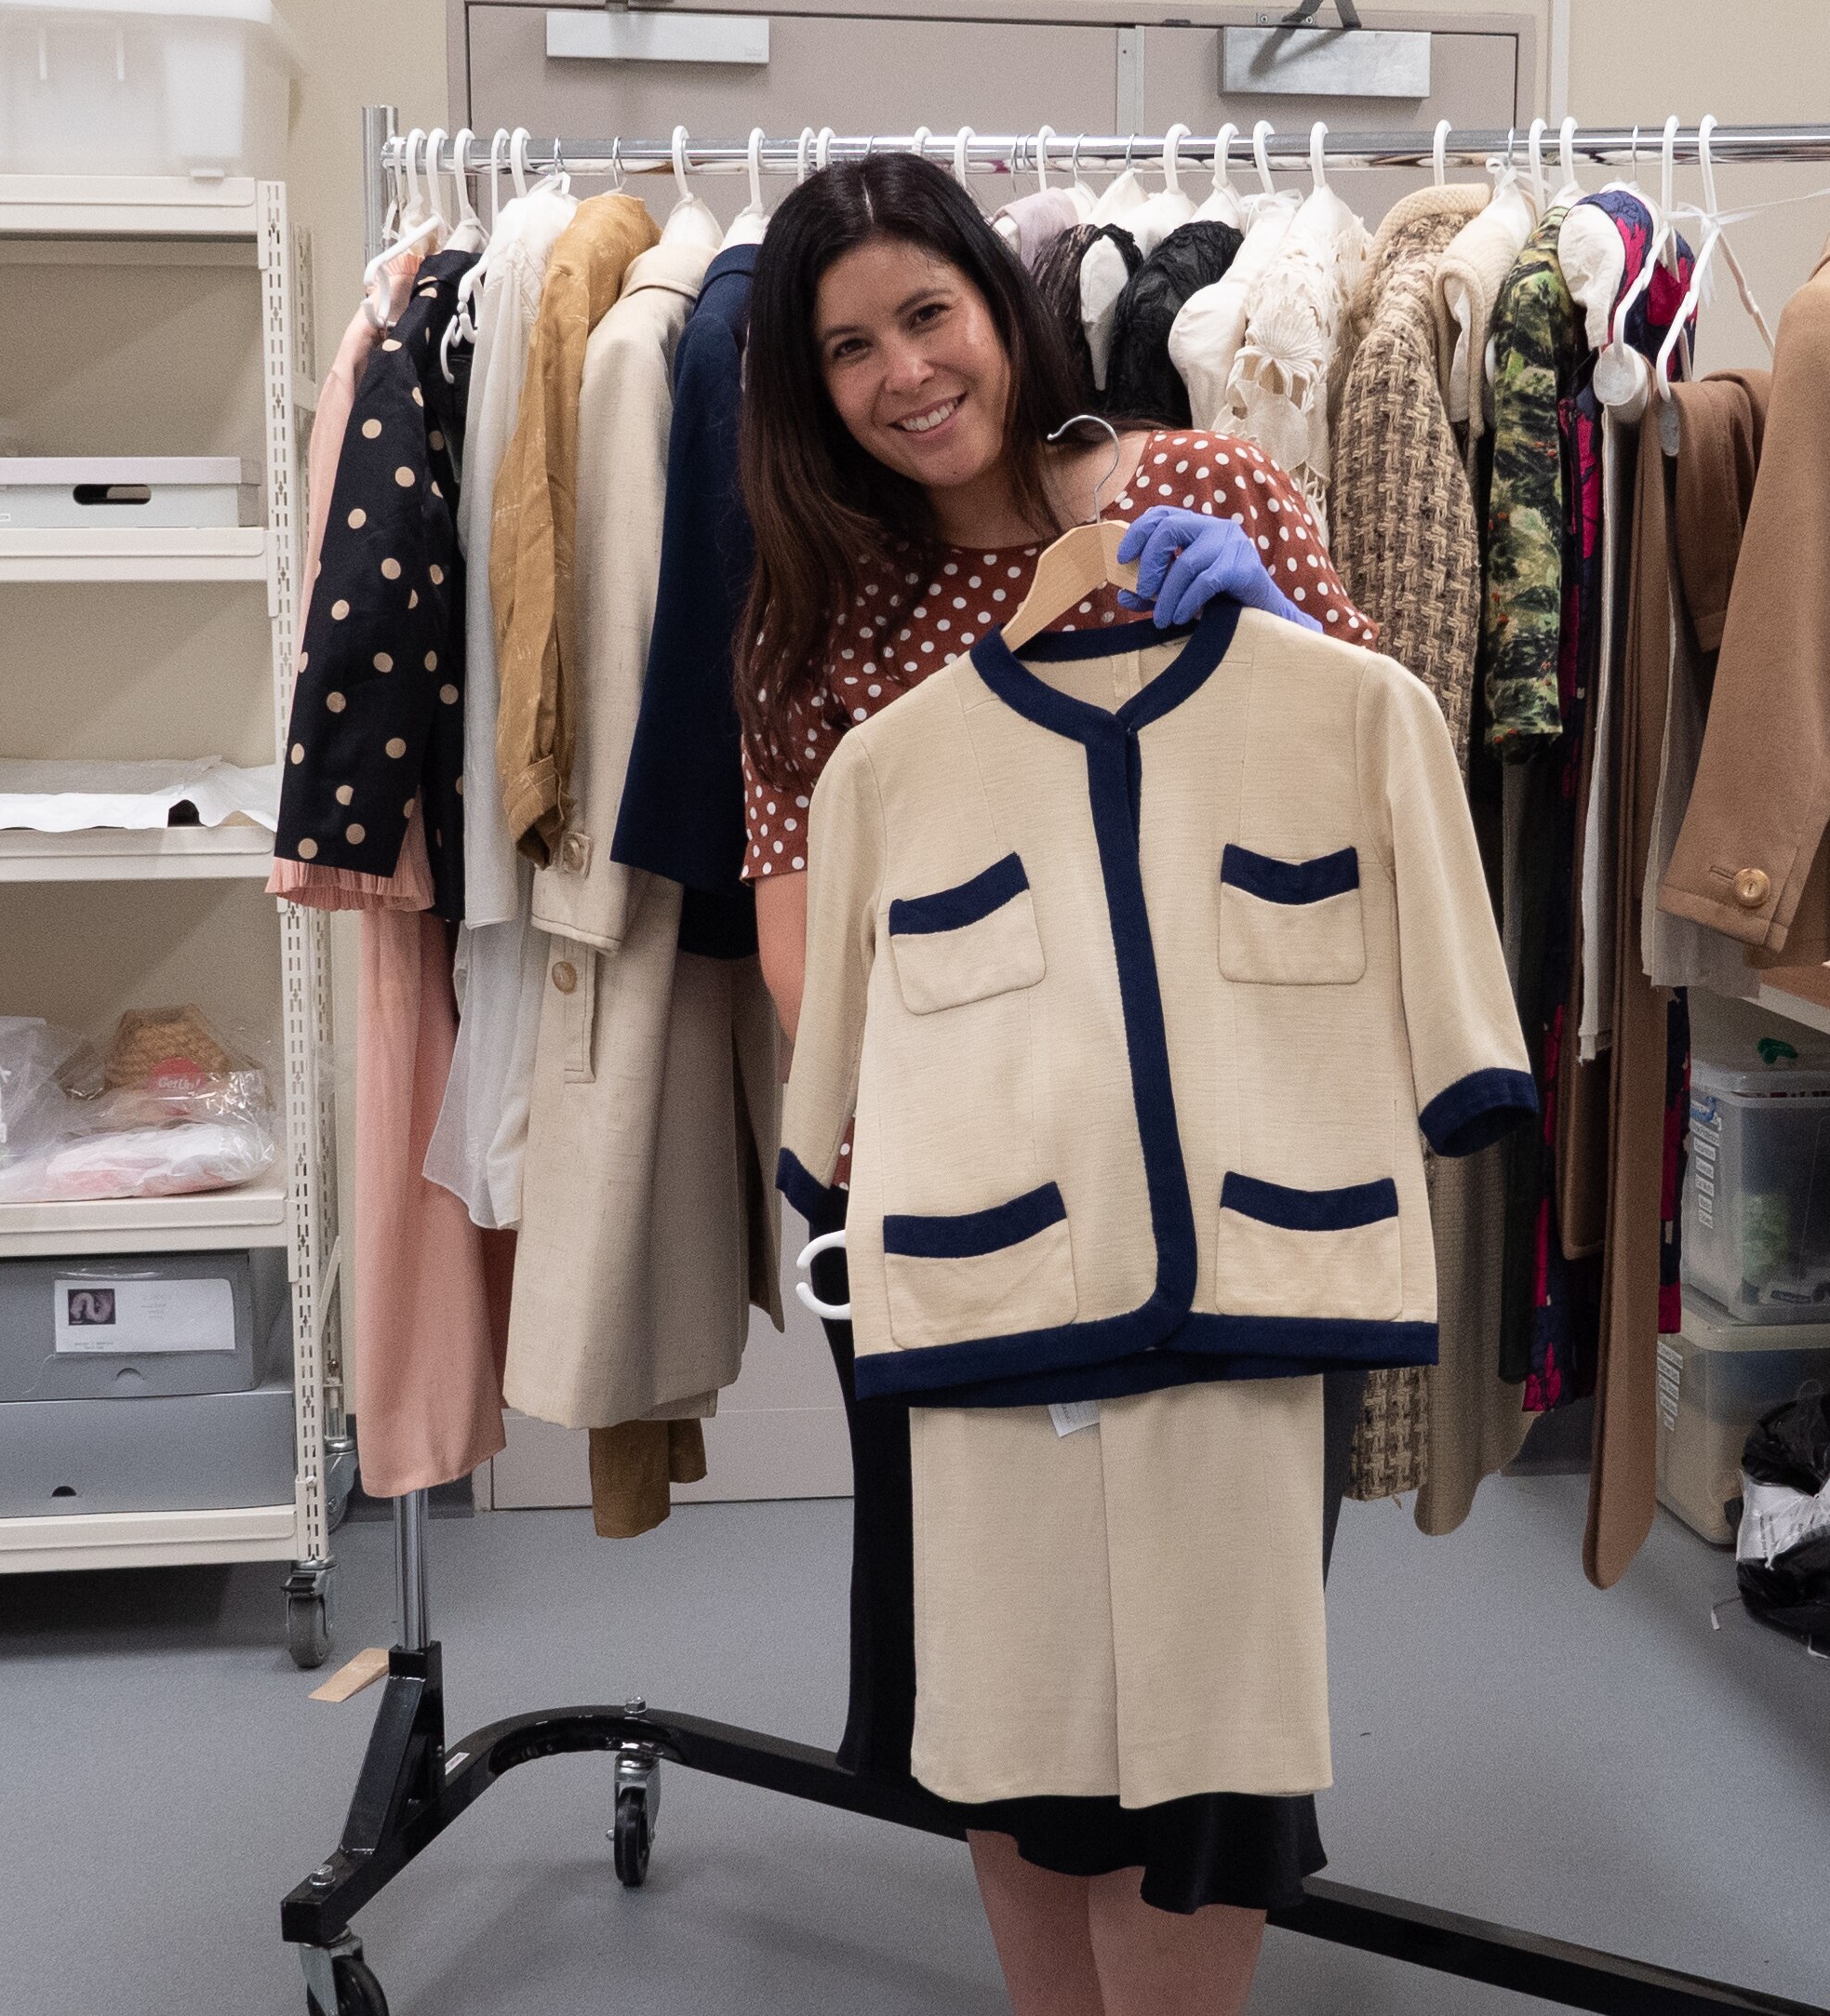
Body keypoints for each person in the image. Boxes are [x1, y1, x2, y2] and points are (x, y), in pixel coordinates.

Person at [732, 151, 1377, 2016]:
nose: (900, 372)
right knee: (1002, 1696)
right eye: (845, 346)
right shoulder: (820, 619)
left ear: (998, 311)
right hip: (955, 1226)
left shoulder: (1200, 490)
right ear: (806, 387)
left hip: (1222, 1207)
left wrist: (1273, 628)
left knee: (1199, 1710)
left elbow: (1366, 802)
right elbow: (801, 953)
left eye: (924, 313)